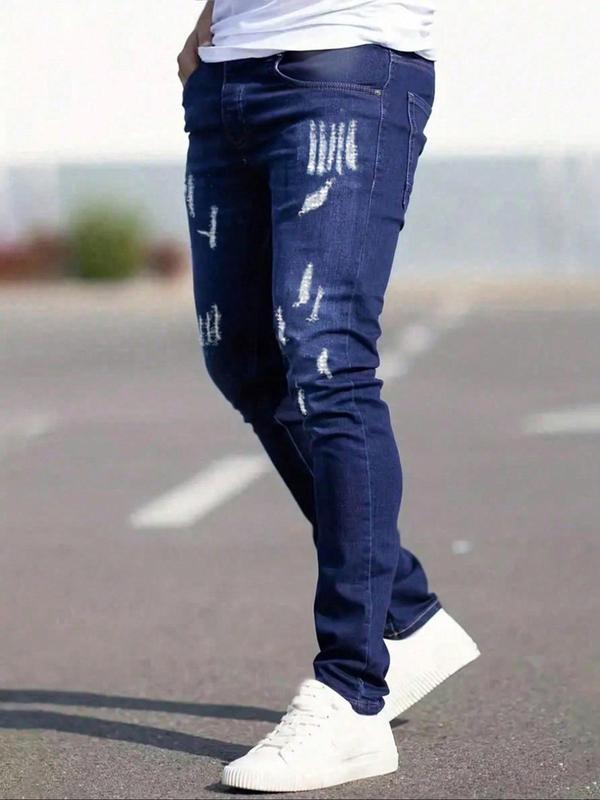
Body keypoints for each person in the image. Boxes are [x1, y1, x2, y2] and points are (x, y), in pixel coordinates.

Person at [178, 0, 480, 792]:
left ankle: (351, 693)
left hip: (343, 69)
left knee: (329, 362)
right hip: (226, 76)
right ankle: (405, 616)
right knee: (242, 359)